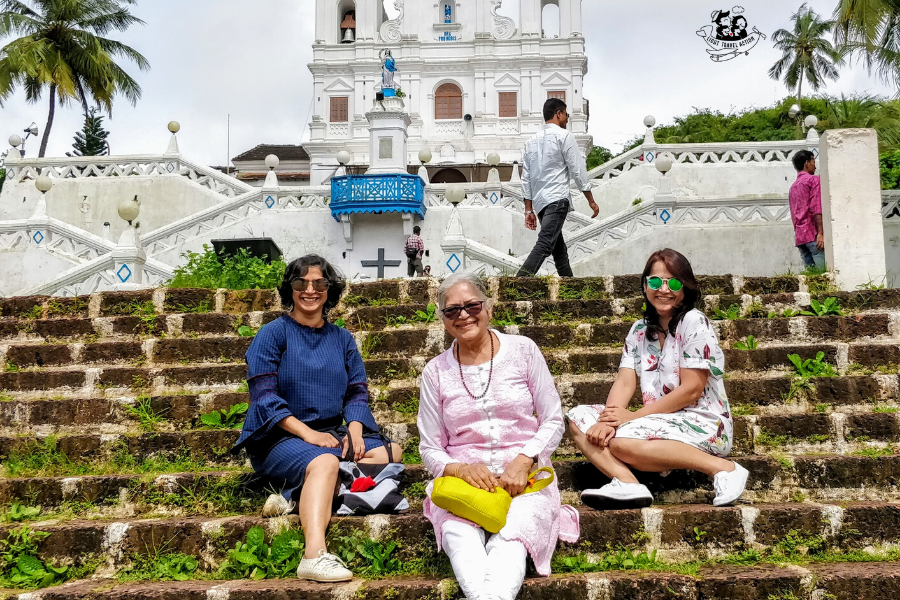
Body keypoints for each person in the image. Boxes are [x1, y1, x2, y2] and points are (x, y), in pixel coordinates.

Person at [233, 254, 402, 583]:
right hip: (279, 436)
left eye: (319, 283)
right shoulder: (273, 334)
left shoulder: (342, 339)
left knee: (391, 453)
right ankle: (314, 555)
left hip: (329, 432)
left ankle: (294, 495)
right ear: (290, 289)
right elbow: (264, 397)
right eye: (301, 283)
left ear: (329, 289)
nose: (310, 290)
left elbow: (356, 393)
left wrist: (354, 429)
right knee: (325, 462)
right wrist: (308, 434)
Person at [418, 272, 579, 600]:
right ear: (444, 320)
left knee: (510, 542)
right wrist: (459, 469)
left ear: (488, 307)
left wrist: (525, 458)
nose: (463, 315)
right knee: (461, 541)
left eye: (471, 305)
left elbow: (552, 419)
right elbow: (430, 447)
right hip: (465, 486)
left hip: (525, 482)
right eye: (452, 310)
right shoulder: (435, 371)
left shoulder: (523, 351)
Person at [566, 249, 748, 510]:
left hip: (703, 420)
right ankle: (628, 484)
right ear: (644, 285)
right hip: (658, 421)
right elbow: (625, 382)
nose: (664, 289)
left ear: (685, 288)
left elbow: (692, 390)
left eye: (673, 283)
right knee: (579, 418)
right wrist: (608, 419)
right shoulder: (639, 330)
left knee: (620, 442)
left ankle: (725, 469)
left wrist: (632, 417)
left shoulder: (694, 322)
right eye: (655, 282)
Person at [517, 98, 599, 277]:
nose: (567, 119)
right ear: (558, 114)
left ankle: (571, 289)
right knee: (546, 243)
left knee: (559, 251)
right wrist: (591, 201)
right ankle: (518, 282)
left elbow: (526, 178)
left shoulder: (530, 142)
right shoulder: (565, 136)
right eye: (566, 115)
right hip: (556, 199)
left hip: (540, 203)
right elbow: (577, 170)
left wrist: (528, 210)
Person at [789, 150, 825, 271]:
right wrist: (820, 233)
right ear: (807, 163)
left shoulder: (793, 186)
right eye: (813, 161)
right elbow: (816, 208)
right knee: (822, 276)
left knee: (811, 279)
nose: (815, 165)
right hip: (812, 234)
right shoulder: (813, 180)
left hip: (800, 237)